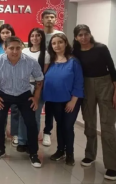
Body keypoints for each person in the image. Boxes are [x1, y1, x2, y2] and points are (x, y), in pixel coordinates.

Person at [0, 36, 43, 168]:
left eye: (18, 48)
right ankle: (0, 149)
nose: (15, 51)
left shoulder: (31, 61)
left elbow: (39, 79)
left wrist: (36, 97)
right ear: (5, 48)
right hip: (3, 94)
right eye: (11, 48)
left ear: (22, 48)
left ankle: (33, 153)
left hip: (24, 94)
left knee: (31, 123)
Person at [72, 24, 116, 180]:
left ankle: (113, 165)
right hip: (86, 86)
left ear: (90, 34)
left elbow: (112, 70)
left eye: (86, 34)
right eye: (80, 35)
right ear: (76, 37)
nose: (84, 37)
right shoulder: (76, 52)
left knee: (107, 126)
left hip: (105, 85)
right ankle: (90, 155)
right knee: (89, 123)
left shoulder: (101, 48)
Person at [43, 33, 84, 166]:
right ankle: (60, 150)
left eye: (60, 42)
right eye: (54, 43)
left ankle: (70, 154)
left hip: (70, 101)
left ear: (66, 43)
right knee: (59, 126)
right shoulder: (51, 62)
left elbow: (79, 83)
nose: (57, 45)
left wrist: (73, 101)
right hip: (54, 100)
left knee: (67, 126)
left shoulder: (74, 61)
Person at [17, 28, 50, 152]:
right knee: (22, 114)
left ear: (42, 38)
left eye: (38, 36)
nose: (35, 38)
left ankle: (32, 141)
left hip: (37, 85)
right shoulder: (24, 51)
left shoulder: (45, 54)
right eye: (32, 36)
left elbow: (43, 73)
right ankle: (22, 140)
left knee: (35, 115)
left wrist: (37, 88)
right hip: (23, 86)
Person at [0, 24, 20, 145]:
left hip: (15, 81)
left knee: (15, 110)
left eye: (7, 32)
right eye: (3, 33)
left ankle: (15, 134)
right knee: (1, 109)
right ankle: (0, 133)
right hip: (1, 82)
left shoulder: (16, 46)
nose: (5, 35)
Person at [41, 9, 64, 146]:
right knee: (35, 105)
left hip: (53, 73)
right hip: (38, 73)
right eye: (47, 17)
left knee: (50, 106)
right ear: (42, 20)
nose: (49, 19)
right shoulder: (38, 34)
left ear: (55, 20)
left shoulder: (60, 35)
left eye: (52, 17)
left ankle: (47, 133)